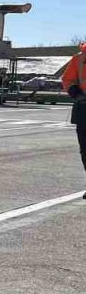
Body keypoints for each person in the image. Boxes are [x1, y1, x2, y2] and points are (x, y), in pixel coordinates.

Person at [63, 43, 86, 199]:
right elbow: (68, 80)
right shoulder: (79, 59)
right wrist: (78, 95)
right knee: (85, 150)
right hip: (84, 109)